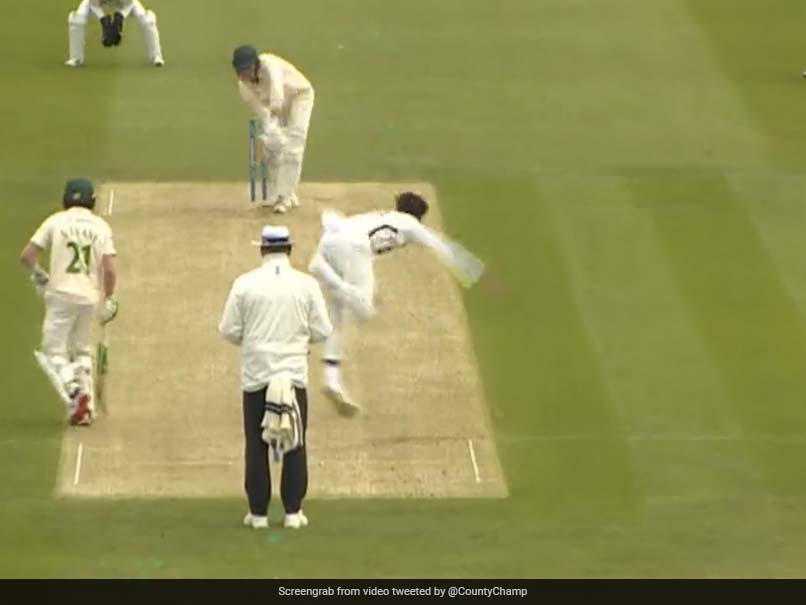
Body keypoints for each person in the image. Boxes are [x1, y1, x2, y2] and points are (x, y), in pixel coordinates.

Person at [308, 192, 486, 416]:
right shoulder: (411, 224)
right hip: (354, 249)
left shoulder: (382, 216)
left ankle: (332, 381)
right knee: (363, 310)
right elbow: (441, 246)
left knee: (340, 320)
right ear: (419, 215)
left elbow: (336, 223)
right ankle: (325, 274)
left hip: (331, 243)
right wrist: (475, 272)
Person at [219, 225, 332, 529]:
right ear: (290, 250)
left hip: (257, 374)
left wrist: (254, 342)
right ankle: (293, 513)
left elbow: (228, 329)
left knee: (257, 444)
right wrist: (296, 340)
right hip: (293, 375)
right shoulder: (306, 285)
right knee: (294, 440)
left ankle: (258, 515)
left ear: (262, 250)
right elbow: (322, 330)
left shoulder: (245, 284)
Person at [20, 178, 119, 426]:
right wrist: (109, 299)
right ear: (92, 202)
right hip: (88, 297)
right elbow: (110, 270)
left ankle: (75, 393)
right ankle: (86, 411)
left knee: (52, 353)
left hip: (60, 295)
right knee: (81, 350)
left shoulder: (55, 221)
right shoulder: (101, 227)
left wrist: (40, 276)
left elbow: (27, 256)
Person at [232, 45, 315, 213]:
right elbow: (261, 111)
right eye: (240, 70)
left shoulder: (269, 64)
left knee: (294, 143)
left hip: (299, 96)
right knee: (272, 145)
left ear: (255, 64)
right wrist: (272, 129)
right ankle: (281, 193)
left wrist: (275, 110)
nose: (243, 74)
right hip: (275, 108)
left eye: (246, 68)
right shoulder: (243, 86)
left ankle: (284, 197)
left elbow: (277, 90)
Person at [66, 0, 165, 67]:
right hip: (95, 3)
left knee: (148, 21)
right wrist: (103, 20)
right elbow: (94, 4)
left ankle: (156, 56)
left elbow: (129, 4)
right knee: (77, 21)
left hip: (126, 3)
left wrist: (120, 17)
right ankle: (76, 58)